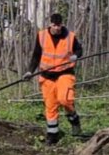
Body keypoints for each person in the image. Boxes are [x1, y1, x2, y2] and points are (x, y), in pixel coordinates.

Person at [27, 13, 82, 144]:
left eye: (59, 25)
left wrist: (76, 55)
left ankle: (74, 120)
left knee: (65, 99)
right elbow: (36, 55)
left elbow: (79, 50)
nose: (57, 28)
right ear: (50, 24)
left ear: (62, 24)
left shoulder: (70, 36)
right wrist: (30, 71)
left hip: (65, 73)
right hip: (47, 76)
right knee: (50, 107)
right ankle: (52, 136)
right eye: (54, 25)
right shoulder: (42, 36)